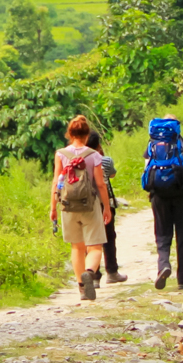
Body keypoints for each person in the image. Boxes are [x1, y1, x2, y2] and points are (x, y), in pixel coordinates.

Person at [48, 115, 113, 302]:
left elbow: (56, 182)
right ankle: (90, 272)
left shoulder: (60, 154)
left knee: (77, 247)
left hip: (67, 206)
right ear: (87, 135)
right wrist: (106, 207)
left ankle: (82, 289)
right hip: (90, 205)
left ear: (70, 134)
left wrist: (53, 207)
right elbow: (100, 184)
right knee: (95, 247)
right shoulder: (94, 155)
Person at [143, 120, 183, 290]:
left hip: (159, 196)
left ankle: (163, 266)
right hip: (180, 194)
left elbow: (147, 170)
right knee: (182, 236)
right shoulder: (182, 144)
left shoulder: (152, 145)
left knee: (162, 235)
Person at [86, 132, 126, 285]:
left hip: (85, 204)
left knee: (90, 240)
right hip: (104, 202)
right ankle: (112, 272)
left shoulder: (76, 160)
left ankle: (94, 276)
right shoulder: (105, 161)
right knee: (109, 237)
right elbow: (112, 175)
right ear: (98, 145)